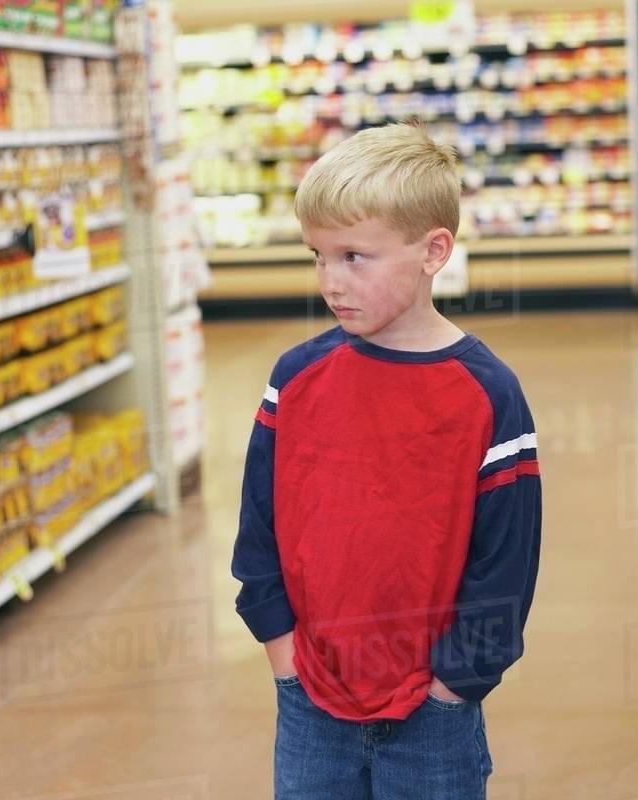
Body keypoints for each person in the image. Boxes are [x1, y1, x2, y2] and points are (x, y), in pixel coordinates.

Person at [231, 121, 542, 799]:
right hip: (310, 703)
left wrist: (455, 687)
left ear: (434, 251)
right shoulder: (297, 378)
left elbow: (505, 562)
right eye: (317, 255)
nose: (330, 281)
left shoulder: (488, 396)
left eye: (354, 257)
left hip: (434, 721)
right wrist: (283, 657)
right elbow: (260, 527)